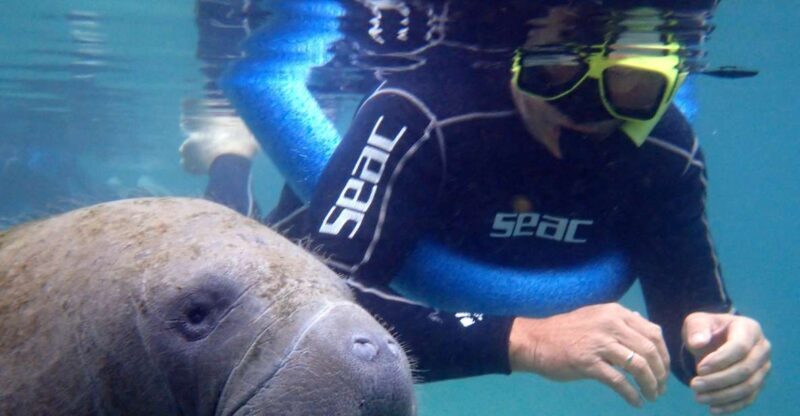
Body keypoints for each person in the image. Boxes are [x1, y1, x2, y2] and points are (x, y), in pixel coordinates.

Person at [180, 0, 771, 413]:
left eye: (631, 85)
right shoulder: (422, 114)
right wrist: (524, 340)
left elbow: (691, 310)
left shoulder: (665, 152)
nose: (588, 110)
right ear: (518, 54)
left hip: (448, 254)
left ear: (667, 80)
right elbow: (313, 309)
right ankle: (228, 155)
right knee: (231, 284)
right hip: (387, 226)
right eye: (557, 71)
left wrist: (719, 349)